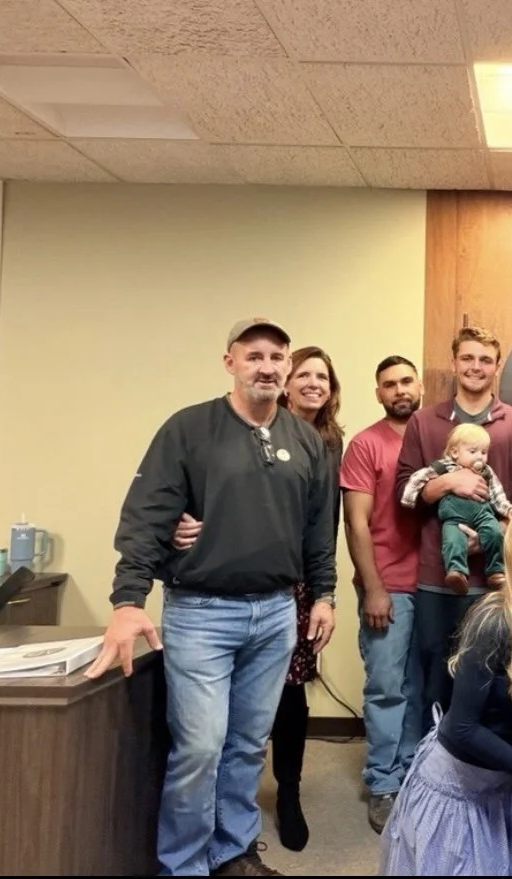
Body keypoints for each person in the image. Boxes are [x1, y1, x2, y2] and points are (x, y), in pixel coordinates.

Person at [87, 318, 338, 877]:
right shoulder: (189, 429)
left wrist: (324, 594)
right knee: (200, 749)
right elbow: (147, 516)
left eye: (277, 356)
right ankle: (184, 866)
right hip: (202, 613)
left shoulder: (305, 441)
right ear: (230, 362)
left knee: (248, 744)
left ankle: (232, 854)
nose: (267, 366)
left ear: (288, 365)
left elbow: (321, 527)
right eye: (254, 356)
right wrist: (129, 600)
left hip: (276, 613)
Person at [170, 344, 345, 853]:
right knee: (209, 732)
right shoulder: (249, 429)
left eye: (323, 376)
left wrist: (324, 591)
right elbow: (204, 495)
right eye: (305, 373)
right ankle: (196, 842)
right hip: (237, 585)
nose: (313, 383)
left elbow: (323, 525)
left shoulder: (330, 441)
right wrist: (182, 529)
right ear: (286, 381)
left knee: (286, 699)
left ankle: (285, 795)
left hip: (301, 582)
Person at [379, 509, 512, 875]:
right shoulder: (493, 620)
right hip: (458, 787)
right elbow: (461, 728)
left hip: (510, 783)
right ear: (509, 560)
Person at [396, 326, 512, 730]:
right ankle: (432, 781)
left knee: (495, 684)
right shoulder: (425, 423)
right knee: (434, 682)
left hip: (497, 580)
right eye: (468, 358)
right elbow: (403, 490)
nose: (476, 367)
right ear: (455, 362)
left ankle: (487, 784)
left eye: (485, 360)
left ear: (497, 366)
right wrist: (445, 483)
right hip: (437, 580)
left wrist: (489, 532)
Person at [339, 355, 423, 833]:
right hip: (387, 584)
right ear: (378, 393)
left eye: (406, 381)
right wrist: (373, 587)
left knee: (421, 687)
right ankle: (384, 782)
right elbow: (356, 522)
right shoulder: (366, 444)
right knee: (388, 687)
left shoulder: (435, 435)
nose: (399, 390)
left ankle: (413, 775)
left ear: (419, 385)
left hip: (433, 585)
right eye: (389, 384)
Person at [402, 423, 512, 594]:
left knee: (494, 533)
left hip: (483, 515)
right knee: (452, 540)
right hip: (454, 518)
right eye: (473, 452)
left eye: (483, 452)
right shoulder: (444, 468)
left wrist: (509, 511)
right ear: (454, 452)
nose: (479, 457)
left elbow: (497, 495)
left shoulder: (487, 472)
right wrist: (409, 497)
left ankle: (496, 571)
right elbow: (419, 477)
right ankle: (456, 572)